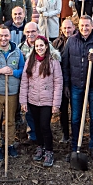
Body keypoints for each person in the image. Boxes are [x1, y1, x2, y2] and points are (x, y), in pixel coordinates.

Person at [61, 15, 93, 160]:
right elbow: (66, 64)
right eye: (82, 26)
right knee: (75, 118)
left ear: (92, 26)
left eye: (87, 25)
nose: (84, 28)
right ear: (78, 26)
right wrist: (67, 84)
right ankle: (75, 147)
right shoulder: (71, 41)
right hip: (76, 85)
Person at [0, 26, 26, 161]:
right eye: (1, 36)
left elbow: (22, 71)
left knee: (10, 121)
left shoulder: (17, 53)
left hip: (12, 92)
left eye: (6, 36)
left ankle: (10, 144)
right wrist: (0, 71)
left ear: (10, 37)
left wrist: (13, 72)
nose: (3, 38)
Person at [20, 37, 62, 167]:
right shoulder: (30, 61)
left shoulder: (53, 61)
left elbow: (58, 83)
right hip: (32, 99)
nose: (39, 48)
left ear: (47, 46)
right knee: (36, 126)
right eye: (37, 46)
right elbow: (24, 81)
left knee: (44, 125)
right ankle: (40, 146)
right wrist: (23, 101)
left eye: (41, 45)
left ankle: (49, 150)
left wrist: (56, 104)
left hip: (47, 100)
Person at [52, 18, 76, 143]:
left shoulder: (78, 41)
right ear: (61, 29)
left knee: (76, 109)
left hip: (75, 80)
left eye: (69, 28)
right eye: (65, 28)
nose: (67, 30)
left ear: (73, 28)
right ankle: (65, 133)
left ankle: (76, 133)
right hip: (61, 81)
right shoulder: (56, 43)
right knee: (63, 109)